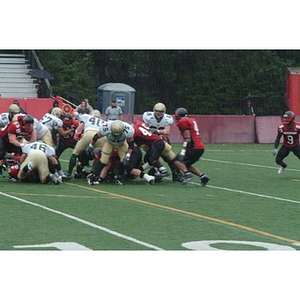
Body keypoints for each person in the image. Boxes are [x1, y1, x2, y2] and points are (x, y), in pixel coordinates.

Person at [143, 102, 182, 182]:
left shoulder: (167, 119)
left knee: (170, 156)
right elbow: (144, 128)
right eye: (157, 111)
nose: (158, 113)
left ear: (164, 112)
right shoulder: (148, 116)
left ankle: (176, 173)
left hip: (161, 140)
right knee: (153, 158)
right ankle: (156, 172)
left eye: (161, 111)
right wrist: (158, 131)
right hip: (149, 141)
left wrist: (156, 131)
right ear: (154, 110)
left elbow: (167, 131)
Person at [86, 120, 134, 185]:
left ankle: (120, 178)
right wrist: (90, 145)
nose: (116, 136)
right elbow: (97, 136)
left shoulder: (128, 130)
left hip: (121, 144)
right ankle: (93, 177)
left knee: (124, 160)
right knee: (103, 160)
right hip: (109, 143)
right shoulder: (106, 127)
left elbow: (131, 144)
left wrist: (128, 155)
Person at [174, 107, 210, 187]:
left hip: (194, 146)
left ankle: (187, 175)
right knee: (185, 165)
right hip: (200, 146)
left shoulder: (183, 121)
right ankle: (203, 177)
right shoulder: (191, 120)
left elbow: (187, 138)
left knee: (177, 161)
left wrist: (183, 151)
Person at [65, 110, 104, 180]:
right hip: (99, 137)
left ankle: (69, 173)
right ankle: (96, 174)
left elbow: (79, 129)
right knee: (102, 155)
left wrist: (77, 137)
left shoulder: (86, 116)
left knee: (75, 153)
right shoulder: (103, 122)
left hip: (88, 134)